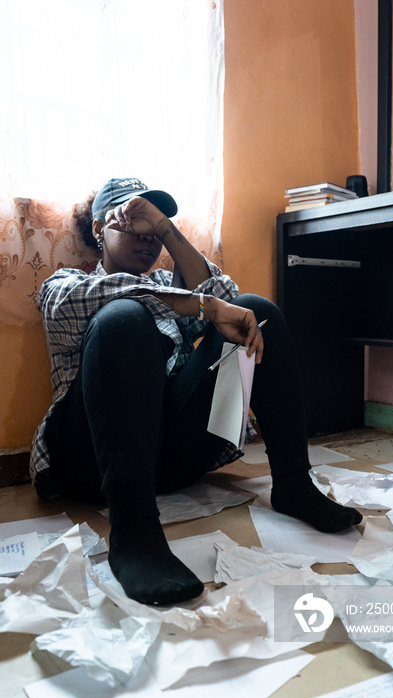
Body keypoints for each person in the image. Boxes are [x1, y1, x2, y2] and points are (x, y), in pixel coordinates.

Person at [30, 177, 362, 606]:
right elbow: (81, 303)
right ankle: (134, 532)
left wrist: (172, 234)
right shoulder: (65, 283)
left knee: (257, 311)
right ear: (98, 229)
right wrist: (201, 306)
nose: (147, 238)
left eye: (155, 229)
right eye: (133, 223)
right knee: (123, 318)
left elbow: (229, 299)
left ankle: (295, 483)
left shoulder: (175, 286)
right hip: (90, 461)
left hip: (167, 458)